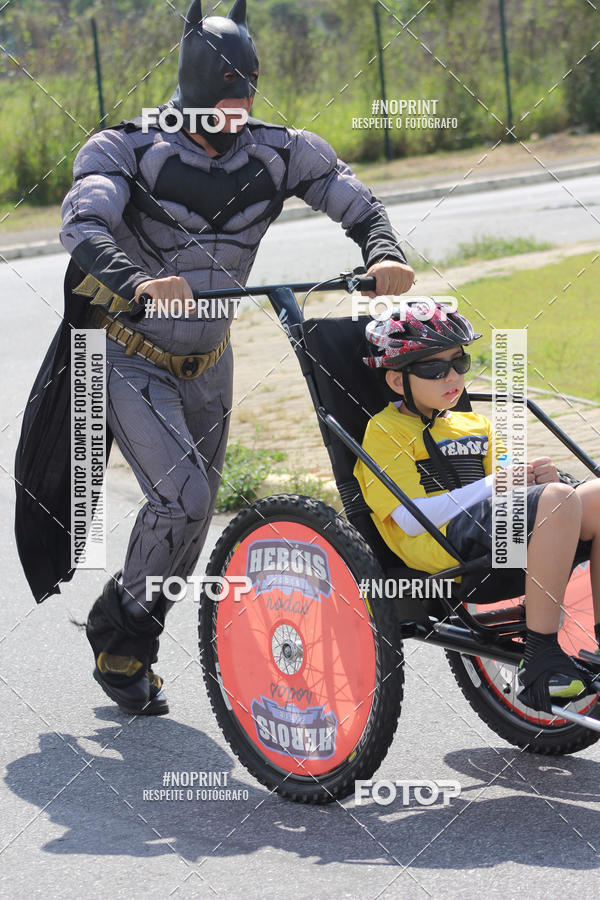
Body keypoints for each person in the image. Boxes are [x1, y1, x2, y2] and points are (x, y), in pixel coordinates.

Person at [14, 0, 414, 717]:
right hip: (128, 352)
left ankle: (126, 637)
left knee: (193, 522)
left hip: (210, 361)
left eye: (245, 98)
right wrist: (136, 281)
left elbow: (355, 201)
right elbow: (82, 220)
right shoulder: (125, 148)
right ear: (188, 94)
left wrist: (381, 252)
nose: (235, 113)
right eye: (221, 101)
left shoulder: (282, 150)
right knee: (185, 497)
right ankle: (122, 633)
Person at [354, 304, 600, 713]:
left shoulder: (476, 425)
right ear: (398, 380)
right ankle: (541, 656)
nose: (453, 377)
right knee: (556, 501)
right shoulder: (383, 431)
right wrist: (500, 485)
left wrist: (542, 478)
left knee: (580, 494)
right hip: (444, 553)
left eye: (459, 362)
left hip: (498, 540)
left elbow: (512, 491)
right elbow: (413, 522)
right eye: (434, 369)